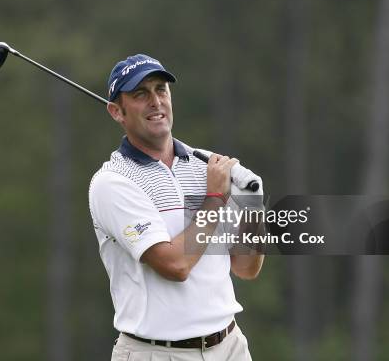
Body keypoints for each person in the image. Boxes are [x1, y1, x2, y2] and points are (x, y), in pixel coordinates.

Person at [88, 54, 265, 361]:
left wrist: (253, 207)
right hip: (155, 352)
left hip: (230, 347)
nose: (155, 101)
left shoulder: (205, 166)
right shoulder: (113, 182)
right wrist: (215, 199)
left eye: (161, 90)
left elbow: (246, 268)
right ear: (117, 111)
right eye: (140, 94)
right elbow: (175, 265)